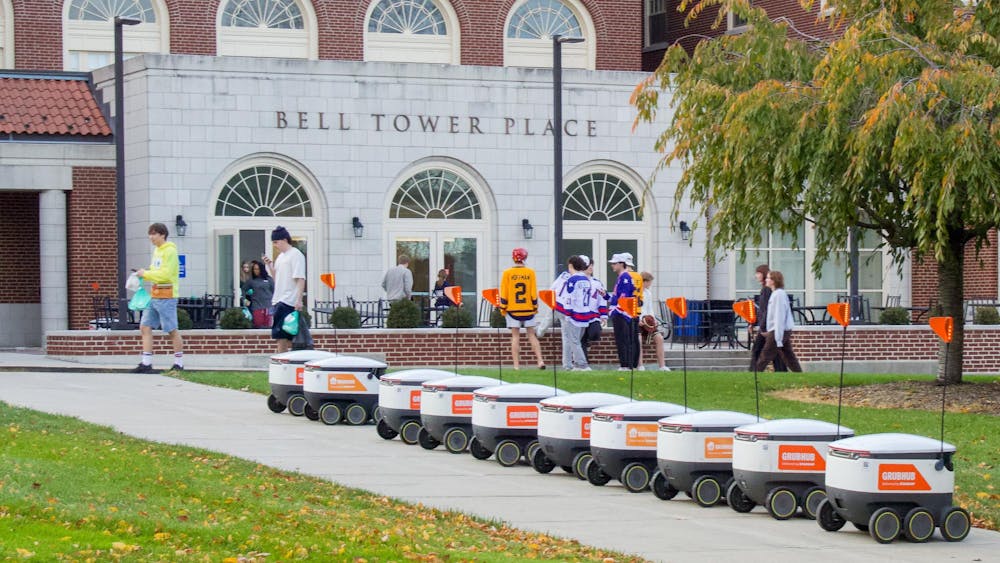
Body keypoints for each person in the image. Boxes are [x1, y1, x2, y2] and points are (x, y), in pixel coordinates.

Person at [131, 222, 184, 374]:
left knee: (171, 330)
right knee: (145, 326)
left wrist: (145, 274)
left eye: (154, 234)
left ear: (162, 235)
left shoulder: (170, 251)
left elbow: (166, 275)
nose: (151, 237)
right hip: (154, 295)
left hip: (167, 295)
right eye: (150, 234)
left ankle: (179, 363)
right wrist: (143, 273)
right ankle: (146, 363)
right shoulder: (157, 251)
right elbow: (156, 271)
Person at [499, 247, 545, 370]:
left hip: (513, 309)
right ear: (525, 258)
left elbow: (504, 292)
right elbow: (533, 292)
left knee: (515, 336)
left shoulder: (507, 273)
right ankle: (540, 360)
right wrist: (535, 306)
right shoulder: (530, 273)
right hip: (528, 309)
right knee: (531, 335)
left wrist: (503, 307)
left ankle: (516, 366)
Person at [265, 226, 306, 354]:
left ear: (284, 239)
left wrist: (299, 300)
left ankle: (283, 360)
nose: (275, 245)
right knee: (279, 334)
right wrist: (270, 265)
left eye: (276, 242)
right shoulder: (281, 257)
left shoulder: (295, 254)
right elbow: (277, 277)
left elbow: (300, 278)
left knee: (284, 335)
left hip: (289, 301)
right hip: (279, 299)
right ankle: (282, 359)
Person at [756, 270, 803, 372]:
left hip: (778, 330)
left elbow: (779, 316)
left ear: (773, 281)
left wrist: (777, 337)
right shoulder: (776, 294)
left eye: (768, 278)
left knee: (765, 354)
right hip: (778, 330)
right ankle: (799, 374)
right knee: (788, 354)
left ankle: (754, 375)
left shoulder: (779, 295)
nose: (766, 280)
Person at [555, 255, 594, 371]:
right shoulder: (586, 279)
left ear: (571, 265)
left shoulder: (572, 279)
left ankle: (582, 364)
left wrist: (567, 313)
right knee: (576, 340)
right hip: (585, 313)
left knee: (574, 341)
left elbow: (569, 298)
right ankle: (575, 364)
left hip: (575, 314)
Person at [750, 264, 786, 372]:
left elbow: (766, 310)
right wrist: (754, 322)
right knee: (774, 352)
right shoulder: (766, 290)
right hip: (767, 326)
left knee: (757, 350)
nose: (756, 276)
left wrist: (762, 327)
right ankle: (782, 371)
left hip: (767, 327)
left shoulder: (766, 290)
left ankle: (753, 372)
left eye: (758, 273)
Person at [608, 252, 640, 371]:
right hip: (625, 312)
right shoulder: (623, 277)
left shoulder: (625, 277)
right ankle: (628, 364)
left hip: (622, 313)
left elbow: (624, 296)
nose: (612, 266)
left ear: (622, 264)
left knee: (623, 339)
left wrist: (615, 310)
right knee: (626, 339)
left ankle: (626, 364)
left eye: (614, 263)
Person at [639, 271, 670, 371]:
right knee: (638, 339)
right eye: (649, 282)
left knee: (659, 338)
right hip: (639, 322)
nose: (650, 284)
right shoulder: (636, 292)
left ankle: (662, 366)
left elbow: (650, 309)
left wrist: (654, 320)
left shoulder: (648, 293)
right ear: (644, 281)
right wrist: (639, 320)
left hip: (649, 322)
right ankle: (640, 365)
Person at [579, 256, 608, 363]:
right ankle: (584, 363)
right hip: (580, 315)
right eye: (588, 265)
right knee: (581, 339)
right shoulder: (577, 281)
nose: (591, 267)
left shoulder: (597, 283)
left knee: (594, 333)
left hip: (593, 315)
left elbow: (602, 300)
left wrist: (603, 315)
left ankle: (588, 344)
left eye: (592, 265)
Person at [245, 260, 274, 329]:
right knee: (258, 325)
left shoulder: (269, 279)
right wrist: (245, 299)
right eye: (254, 269)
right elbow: (243, 290)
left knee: (268, 326)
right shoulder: (251, 280)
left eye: (258, 269)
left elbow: (274, 290)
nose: (256, 271)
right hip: (257, 306)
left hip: (268, 306)